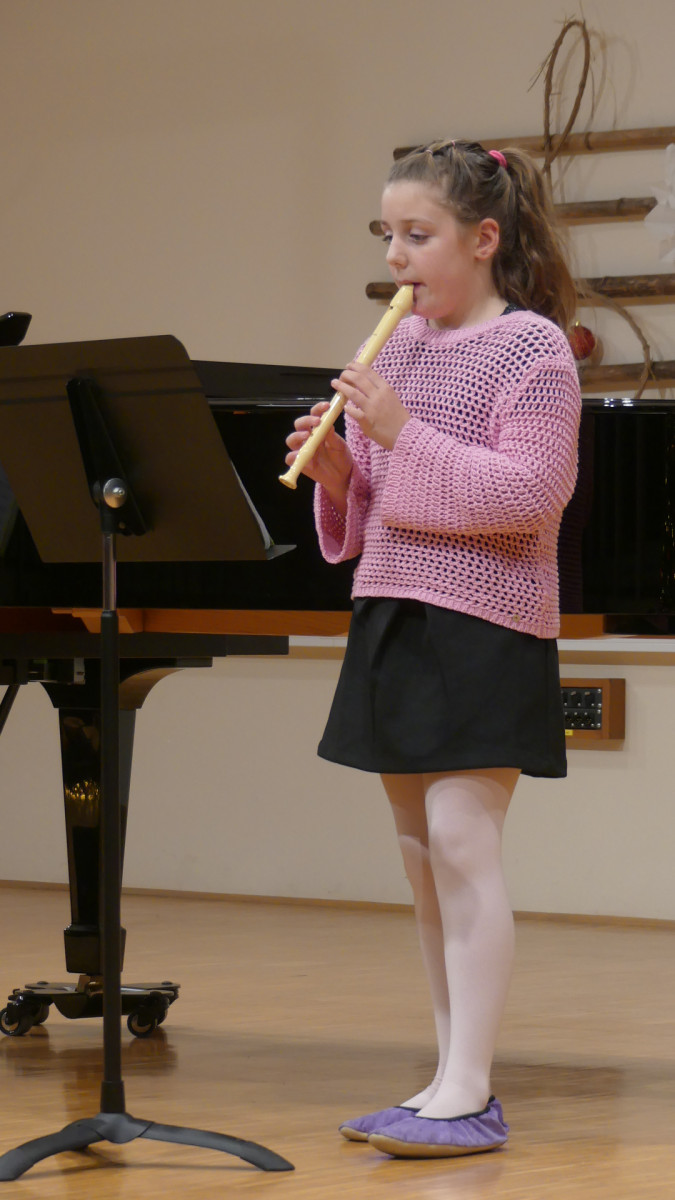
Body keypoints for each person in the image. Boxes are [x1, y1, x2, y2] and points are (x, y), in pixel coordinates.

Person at [284, 139, 581, 1159]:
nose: (397, 256)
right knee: (419, 859)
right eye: (388, 234)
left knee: (462, 844)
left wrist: (401, 434)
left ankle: (471, 1090)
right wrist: (339, 474)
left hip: (484, 619)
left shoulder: (531, 349)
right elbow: (385, 505)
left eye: (418, 234)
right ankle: (450, 1075)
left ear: (483, 238)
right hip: (394, 609)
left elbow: (527, 496)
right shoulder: (399, 347)